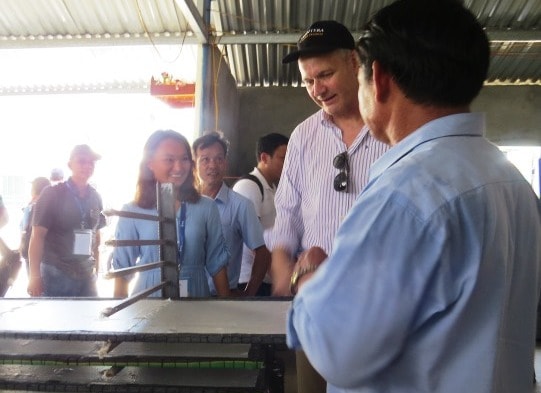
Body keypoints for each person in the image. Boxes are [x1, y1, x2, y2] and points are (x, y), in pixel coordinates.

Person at [287, 1, 541, 392]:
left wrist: (310, 283)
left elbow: (339, 352)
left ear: (378, 77)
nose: (317, 89)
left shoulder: (406, 193)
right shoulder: (509, 180)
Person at [268, 19, 389, 393]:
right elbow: (286, 213)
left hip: (379, 305)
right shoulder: (304, 136)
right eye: (308, 81)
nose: (318, 89)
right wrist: (284, 267)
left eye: (325, 75)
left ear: (354, 63)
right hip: (316, 303)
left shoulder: (389, 128)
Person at [112, 130, 231, 298]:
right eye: (169, 160)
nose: (179, 167)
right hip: (149, 299)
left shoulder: (206, 207)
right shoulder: (132, 211)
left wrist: (228, 312)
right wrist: (120, 319)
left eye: (184, 159)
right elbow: (122, 272)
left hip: (196, 298)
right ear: (150, 163)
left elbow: (217, 263)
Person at [193, 131, 268, 297]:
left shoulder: (241, 205)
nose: (212, 165)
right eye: (205, 159)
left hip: (221, 299)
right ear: (194, 164)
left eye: (219, 159)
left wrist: (249, 294)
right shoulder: (184, 204)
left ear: (225, 163)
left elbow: (262, 254)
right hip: (186, 297)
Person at [27, 144, 106, 297]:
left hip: (86, 274)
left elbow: (96, 235)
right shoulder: (52, 194)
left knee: (89, 318)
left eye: (91, 162)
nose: (87, 165)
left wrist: (96, 266)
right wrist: (34, 277)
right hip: (56, 272)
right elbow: (37, 236)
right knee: (59, 320)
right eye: (82, 161)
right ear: (70, 164)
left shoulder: (95, 197)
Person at [233, 132, 289, 296]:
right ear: (264, 158)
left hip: (265, 277)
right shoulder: (249, 186)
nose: (287, 164)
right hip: (248, 279)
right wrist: (279, 276)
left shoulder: (273, 188)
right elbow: (251, 239)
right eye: (282, 158)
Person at [19, 176, 50, 276]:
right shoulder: (50, 206)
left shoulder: (31, 207)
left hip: (30, 253)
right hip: (47, 256)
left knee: (35, 283)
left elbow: (23, 228)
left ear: (34, 190)